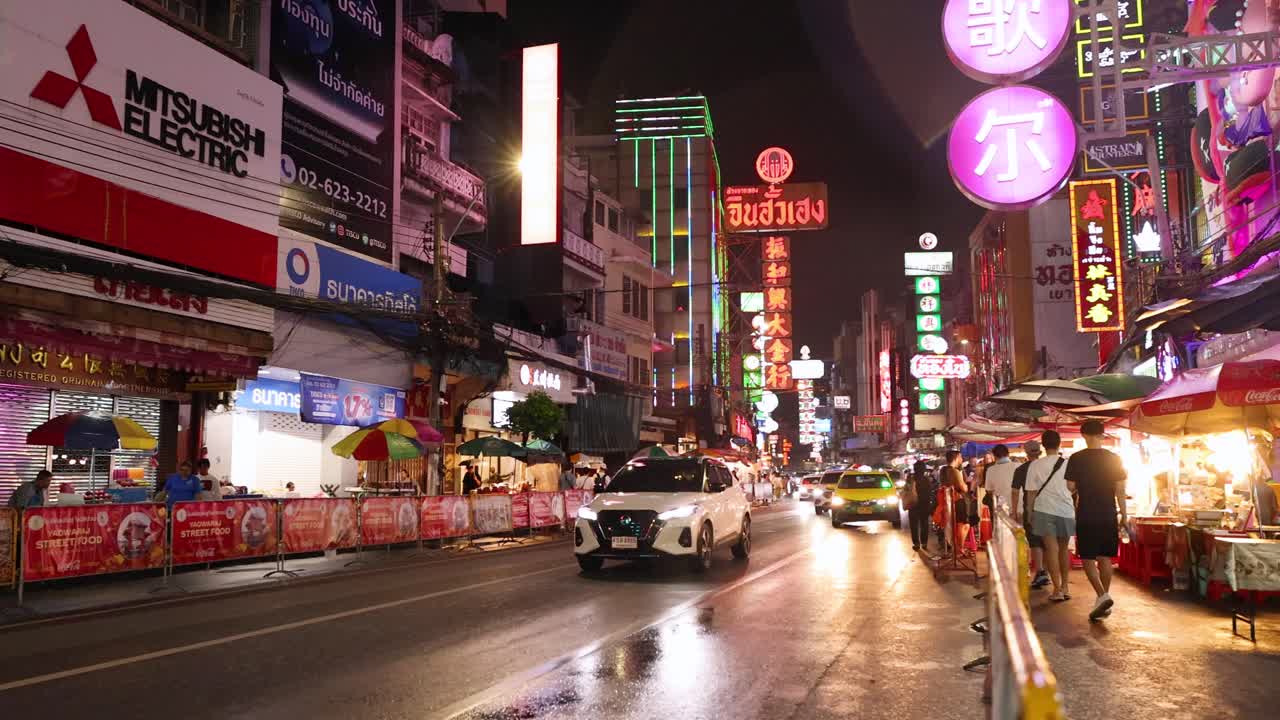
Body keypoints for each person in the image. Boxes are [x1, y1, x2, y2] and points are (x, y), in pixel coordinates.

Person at [1066, 420, 1127, 621]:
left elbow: (1070, 486)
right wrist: (1123, 514)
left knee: (1087, 557)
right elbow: (1120, 490)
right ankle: (1102, 599)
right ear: (1102, 435)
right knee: (1105, 557)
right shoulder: (1114, 458)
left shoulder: (1076, 458)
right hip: (1108, 512)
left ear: (1084, 435)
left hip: (1086, 512)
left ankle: (1102, 596)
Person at [1025, 430, 1075, 602]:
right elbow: (1072, 486)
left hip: (1044, 510)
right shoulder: (1068, 463)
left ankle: (1058, 589)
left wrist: (1029, 513)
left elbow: (1031, 493)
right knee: (1063, 549)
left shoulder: (1035, 465)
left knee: (1051, 549)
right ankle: (1066, 587)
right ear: (1059, 443)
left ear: (1043, 445)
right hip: (1066, 510)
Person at [1011, 440, 1050, 590]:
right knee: (1048, 541)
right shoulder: (1049, 467)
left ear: (1026, 453)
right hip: (1050, 507)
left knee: (1035, 541)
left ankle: (1040, 571)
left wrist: (1015, 512)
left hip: (1031, 508)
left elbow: (1015, 492)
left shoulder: (1022, 469)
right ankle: (1046, 571)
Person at [940, 450, 970, 554]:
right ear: (956, 458)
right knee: (963, 525)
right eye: (961, 457)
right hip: (957, 500)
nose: (962, 460)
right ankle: (960, 548)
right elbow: (964, 488)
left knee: (954, 525)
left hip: (948, 502)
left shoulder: (943, 471)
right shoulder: (954, 471)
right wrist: (965, 485)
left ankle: (956, 548)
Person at [908, 458, 934, 551]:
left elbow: (906, 491)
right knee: (924, 524)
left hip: (912, 504)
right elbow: (930, 492)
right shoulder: (926, 480)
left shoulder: (910, 478)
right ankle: (924, 543)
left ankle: (916, 543)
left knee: (914, 525)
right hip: (924, 505)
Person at [983, 444, 1017, 513]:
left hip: (1002, 509)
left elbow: (989, 490)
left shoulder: (991, 470)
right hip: (1019, 507)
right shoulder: (1018, 466)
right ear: (1008, 454)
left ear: (994, 456)